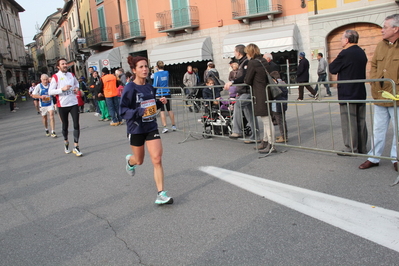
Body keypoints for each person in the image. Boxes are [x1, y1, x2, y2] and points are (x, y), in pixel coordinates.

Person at [120, 55, 173, 205]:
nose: (144, 69)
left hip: (150, 127)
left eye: (146, 66)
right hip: (136, 129)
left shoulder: (150, 87)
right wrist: (138, 112)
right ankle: (130, 161)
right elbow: (122, 111)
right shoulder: (130, 88)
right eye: (141, 67)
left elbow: (149, 106)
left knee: (157, 158)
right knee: (140, 160)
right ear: (134, 70)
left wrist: (158, 102)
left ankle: (161, 194)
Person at [359, 14, 399, 171]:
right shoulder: (381, 45)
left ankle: (396, 159)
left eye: (385, 27)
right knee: (378, 129)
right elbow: (374, 64)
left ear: (395, 29)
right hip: (380, 94)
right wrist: (374, 81)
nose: (382, 30)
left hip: (396, 96)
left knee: (398, 130)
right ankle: (373, 158)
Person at [329, 29, 368, 155]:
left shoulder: (345, 53)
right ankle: (362, 147)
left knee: (349, 121)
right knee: (361, 121)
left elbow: (332, 68)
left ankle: (351, 148)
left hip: (347, 92)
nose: (341, 41)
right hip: (360, 91)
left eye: (341, 39)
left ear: (347, 40)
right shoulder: (361, 52)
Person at [224, 44, 259, 144]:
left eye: (234, 51)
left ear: (238, 52)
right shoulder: (242, 62)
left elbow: (245, 77)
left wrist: (232, 82)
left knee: (238, 104)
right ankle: (255, 136)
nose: (234, 53)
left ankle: (237, 131)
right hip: (243, 91)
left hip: (247, 91)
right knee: (250, 115)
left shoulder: (246, 62)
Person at [244, 43, 275, 153]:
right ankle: (265, 141)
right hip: (267, 91)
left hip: (260, 93)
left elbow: (247, 80)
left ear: (250, 52)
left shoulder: (252, 63)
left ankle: (271, 144)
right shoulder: (263, 60)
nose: (246, 54)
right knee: (266, 118)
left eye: (247, 52)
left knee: (266, 120)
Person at [49, 58, 83, 156]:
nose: (65, 65)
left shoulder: (71, 75)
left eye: (66, 63)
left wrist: (77, 88)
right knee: (65, 125)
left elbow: (76, 83)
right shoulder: (56, 77)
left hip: (73, 103)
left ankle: (76, 146)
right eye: (62, 64)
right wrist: (61, 89)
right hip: (62, 104)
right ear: (58, 66)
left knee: (76, 124)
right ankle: (66, 142)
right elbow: (50, 92)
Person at [153, 60, 176, 133]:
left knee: (162, 110)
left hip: (160, 93)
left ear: (157, 66)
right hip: (167, 91)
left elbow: (155, 84)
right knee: (169, 109)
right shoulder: (166, 72)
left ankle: (165, 126)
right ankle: (173, 125)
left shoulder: (156, 74)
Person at [270, 71, 289, 143]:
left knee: (280, 121)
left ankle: (284, 136)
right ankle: (283, 135)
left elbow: (276, 94)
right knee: (282, 120)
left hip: (277, 105)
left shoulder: (278, 85)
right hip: (282, 104)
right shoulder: (283, 83)